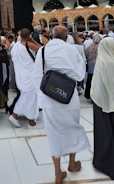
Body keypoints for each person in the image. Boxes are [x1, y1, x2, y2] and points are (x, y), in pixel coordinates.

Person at [34, 25, 89, 184]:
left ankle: (58, 173)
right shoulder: (71, 50)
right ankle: (72, 163)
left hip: (49, 98)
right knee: (72, 127)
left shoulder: (43, 51)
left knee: (54, 134)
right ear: (66, 37)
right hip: (69, 97)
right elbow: (79, 75)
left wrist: (42, 99)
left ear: (51, 35)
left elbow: (37, 77)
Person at [90, 37, 114, 180]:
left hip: (102, 103)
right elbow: (113, 87)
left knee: (105, 134)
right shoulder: (108, 62)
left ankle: (103, 161)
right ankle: (113, 165)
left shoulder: (104, 58)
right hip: (111, 105)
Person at [9, 28, 42, 129]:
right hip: (30, 75)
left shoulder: (15, 46)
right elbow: (42, 49)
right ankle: (31, 122)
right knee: (31, 97)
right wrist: (32, 40)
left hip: (21, 75)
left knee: (26, 96)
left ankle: (15, 115)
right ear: (29, 36)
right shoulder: (29, 45)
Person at [84, 32, 101, 100]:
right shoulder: (101, 46)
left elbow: (86, 54)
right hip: (98, 65)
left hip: (91, 65)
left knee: (90, 80)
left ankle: (88, 94)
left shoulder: (90, 46)